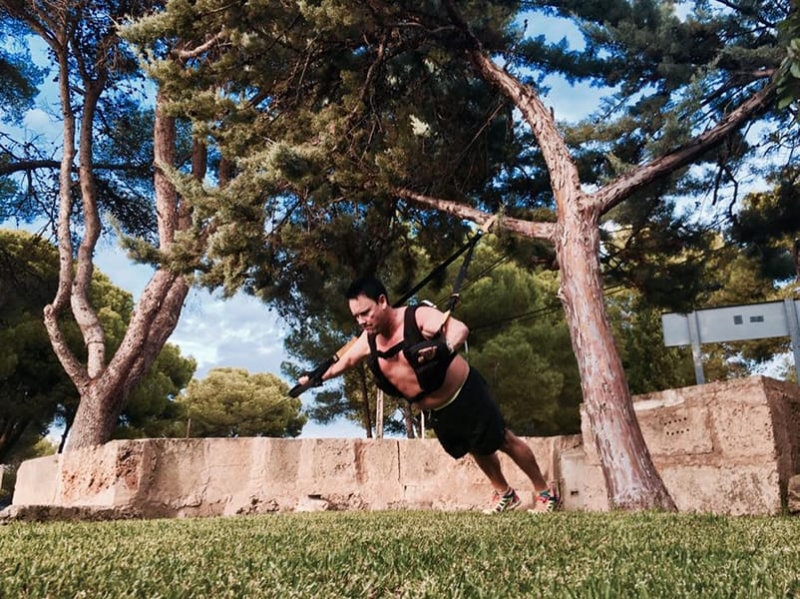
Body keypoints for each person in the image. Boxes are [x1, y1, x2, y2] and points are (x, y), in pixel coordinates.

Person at [297, 276, 558, 514]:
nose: (363, 321)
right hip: (439, 411)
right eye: (357, 317)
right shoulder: (369, 339)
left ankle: (544, 492)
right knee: (475, 447)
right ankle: (506, 494)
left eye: (366, 313)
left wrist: (442, 348)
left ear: (382, 301)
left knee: (504, 439)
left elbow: (460, 330)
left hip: (465, 392)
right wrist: (315, 378)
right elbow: (344, 361)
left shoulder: (416, 316)